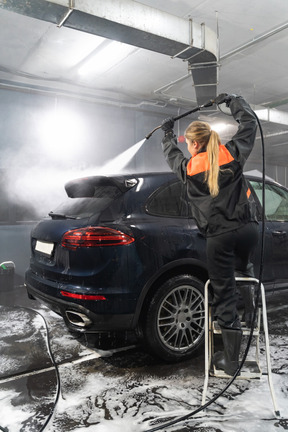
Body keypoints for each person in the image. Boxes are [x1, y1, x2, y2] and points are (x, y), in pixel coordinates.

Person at [161, 94, 259, 376]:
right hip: (248, 230)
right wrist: (236, 102)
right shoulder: (232, 154)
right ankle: (251, 311)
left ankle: (229, 362)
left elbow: (172, 155)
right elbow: (249, 124)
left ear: (194, 144)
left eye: (188, 144)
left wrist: (167, 134)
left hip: (220, 237)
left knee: (224, 294)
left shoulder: (190, 169)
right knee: (244, 269)